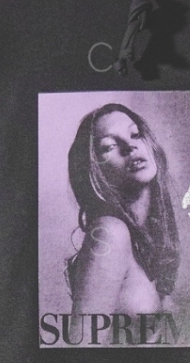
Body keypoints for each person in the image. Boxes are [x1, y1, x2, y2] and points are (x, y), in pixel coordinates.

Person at [64, 103, 181, 315]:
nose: (129, 146)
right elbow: (83, 337)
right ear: (94, 170)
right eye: (109, 146)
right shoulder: (110, 233)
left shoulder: (147, 242)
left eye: (135, 134)